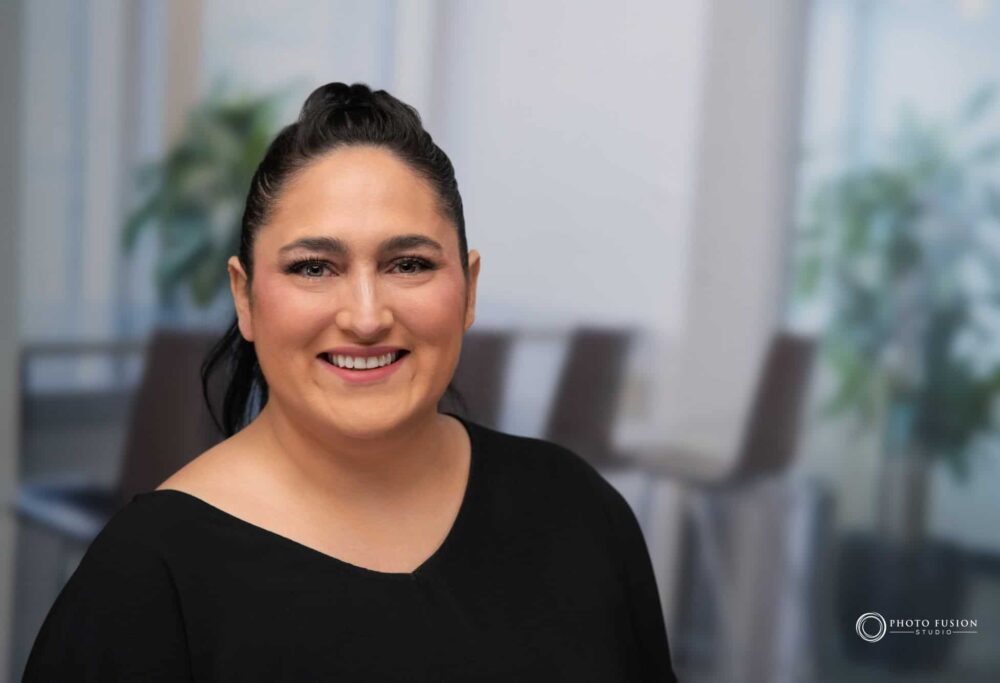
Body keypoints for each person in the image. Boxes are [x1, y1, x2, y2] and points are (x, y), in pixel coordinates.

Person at [22, 82, 678, 682]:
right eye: (314, 267)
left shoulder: (579, 512)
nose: (366, 316)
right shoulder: (147, 579)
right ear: (245, 298)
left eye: (409, 263)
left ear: (469, 288)